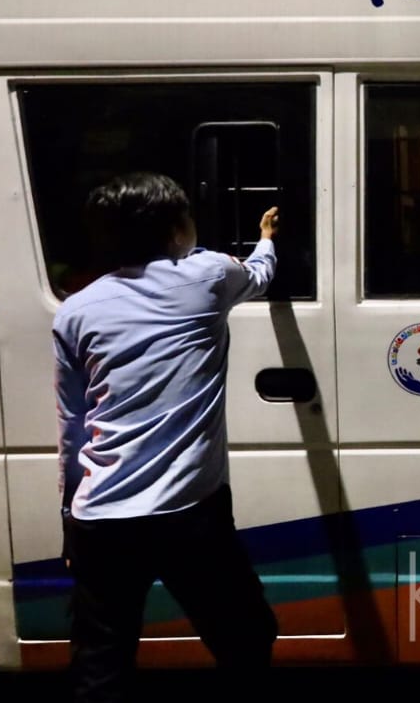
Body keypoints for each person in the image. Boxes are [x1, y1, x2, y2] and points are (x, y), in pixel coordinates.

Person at [54, 172, 280, 702]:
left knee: (101, 669)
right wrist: (267, 237)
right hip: (189, 516)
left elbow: (72, 426)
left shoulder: (75, 310)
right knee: (246, 638)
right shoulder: (208, 276)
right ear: (178, 229)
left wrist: (68, 518)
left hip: (100, 520)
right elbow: (259, 275)